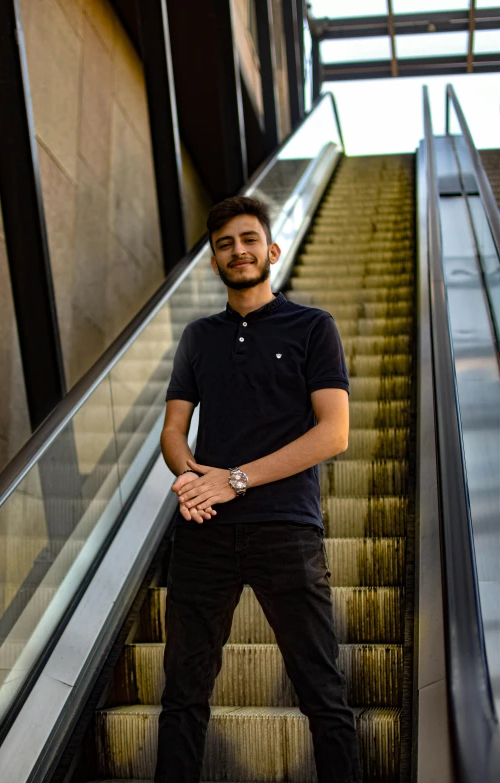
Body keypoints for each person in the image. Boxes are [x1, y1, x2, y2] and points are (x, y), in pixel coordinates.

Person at [155, 195, 361, 782]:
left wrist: (235, 480)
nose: (238, 251)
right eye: (224, 245)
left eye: (248, 240)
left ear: (270, 250)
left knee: (322, 689)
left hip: (286, 531)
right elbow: (174, 429)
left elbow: (334, 433)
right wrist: (194, 480)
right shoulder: (198, 337)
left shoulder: (312, 327)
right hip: (203, 534)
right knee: (183, 694)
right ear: (214, 262)